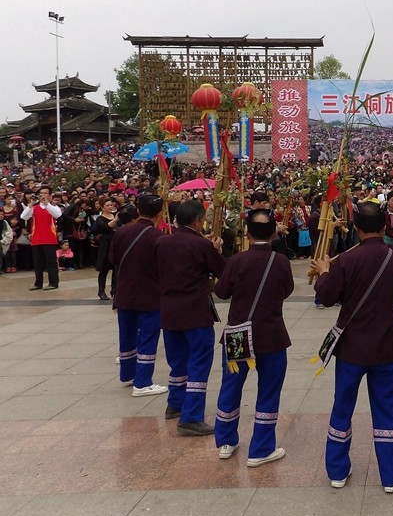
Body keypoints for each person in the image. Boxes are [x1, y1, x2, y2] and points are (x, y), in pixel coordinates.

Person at [311, 201, 393, 494]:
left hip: (352, 348)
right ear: (384, 227)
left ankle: (337, 471)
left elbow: (328, 297)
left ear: (356, 229)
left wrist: (323, 273)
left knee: (342, 407)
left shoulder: (346, 261)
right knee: (388, 409)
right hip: (386, 345)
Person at [214, 209, 294, 466]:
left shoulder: (237, 260)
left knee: (231, 386)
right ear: (274, 233)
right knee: (269, 391)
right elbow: (287, 290)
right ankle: (260, 449)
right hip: (271, 334)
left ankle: (225, 441)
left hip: (238, 334)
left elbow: (222, 292)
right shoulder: (281, 261)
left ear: (247, 233)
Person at [155, 200, 227, 436]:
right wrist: (216, 250)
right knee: (198, 362)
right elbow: (222, 272)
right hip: (195, 310)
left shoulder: (161, 242)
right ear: (197, 221)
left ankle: (175, 404)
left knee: (178, 361)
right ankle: (192, 416)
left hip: (169, 309)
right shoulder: (200, 244)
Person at [108, 194, 169, 397]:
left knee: (127, 334)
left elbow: (113, 259)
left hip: (124, 292)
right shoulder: (158, 237)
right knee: (148, 337)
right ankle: (142, 383)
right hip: (149, 295)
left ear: (138, 210)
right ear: (159, 214)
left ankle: (128, 373)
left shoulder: (122, 232)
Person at [20, 186, 62, 290]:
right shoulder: (34, 208)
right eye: (41, 193)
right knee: (38, 263)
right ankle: (38, 283)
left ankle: (53, 282)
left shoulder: (54, 207)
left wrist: (47, 204)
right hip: (36, 238)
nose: (43, 195)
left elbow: (57, 215)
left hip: (49, 238)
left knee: (51, 262)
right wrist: (30, 205)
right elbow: (23, 217)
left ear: (50, 195)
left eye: (45, 193)